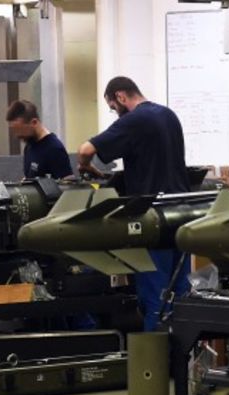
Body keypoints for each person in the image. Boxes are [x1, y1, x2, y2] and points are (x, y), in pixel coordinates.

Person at [77, 76, 190, 331]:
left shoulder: (134, 120)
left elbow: (85, 149)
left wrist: (86, 167)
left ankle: (156, 368)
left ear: (120, 96)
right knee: (181, 299)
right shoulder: (169, 115)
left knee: (156, 303)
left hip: (154, 222)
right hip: (181, 216)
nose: (115, 114)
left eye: (112, 107)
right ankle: (183, 366)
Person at [6, 100, 73, 179]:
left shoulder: (54, 148)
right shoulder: (29, 146)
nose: (17, 136)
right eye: (15, 131)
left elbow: (68, 183)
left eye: (20, 130)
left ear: (34, 122)